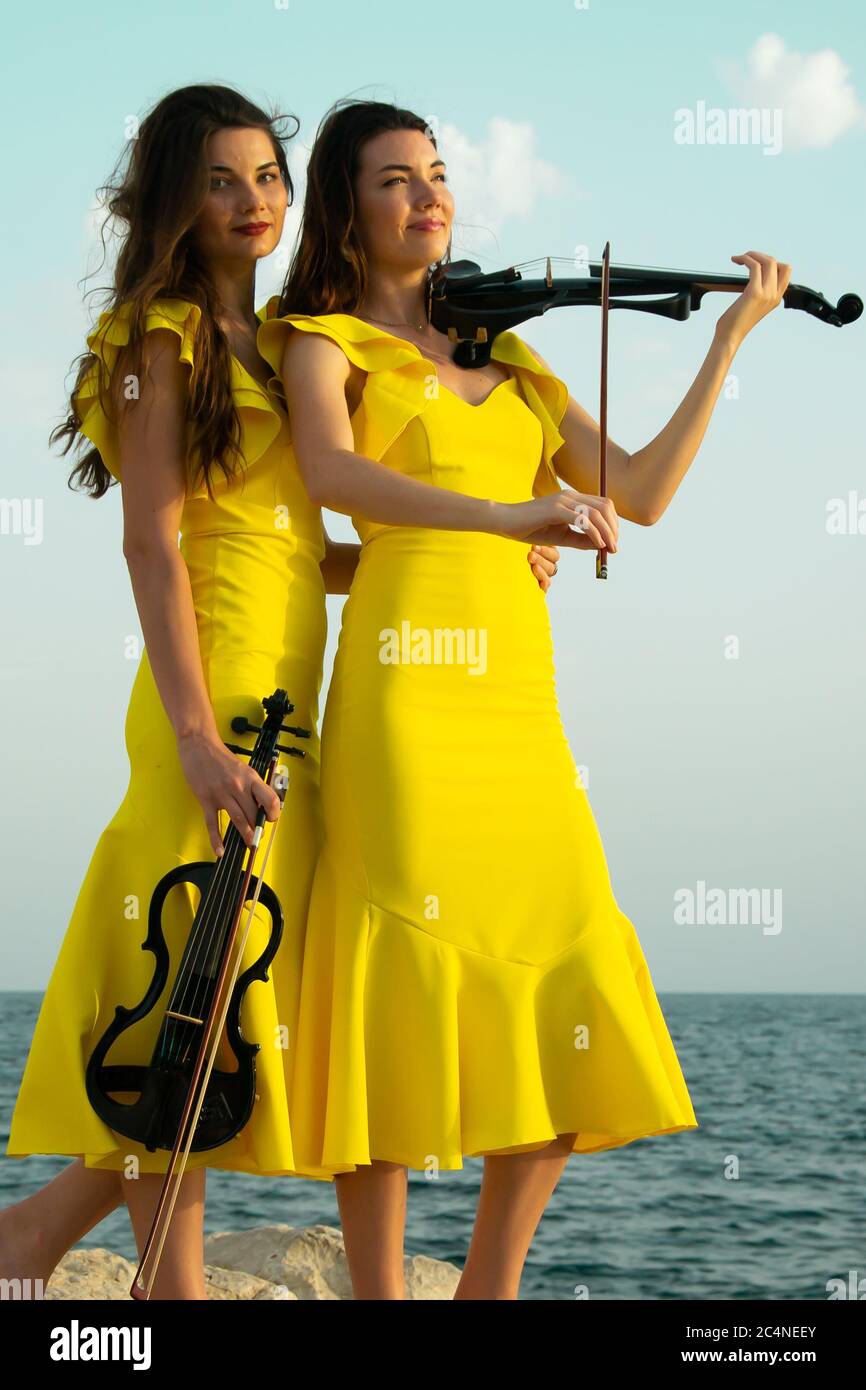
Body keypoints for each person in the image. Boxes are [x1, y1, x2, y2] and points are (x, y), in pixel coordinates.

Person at [0, 85, 560, 1301]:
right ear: (172, 199)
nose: (252, 201)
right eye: (219, 179)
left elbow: (306, 551)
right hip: (210, 706)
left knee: (225, 1003)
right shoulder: (160, 339)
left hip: (289, 710)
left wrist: (481, 548)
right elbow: (154, 545)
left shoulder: (277, 344)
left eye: (268, 177)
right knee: (180, 998)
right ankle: (160, 1290)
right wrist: (196, 738)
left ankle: (42, 1240)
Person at [257, 97, 792, 1300]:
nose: (427, 194)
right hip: (403, 693)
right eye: (393, 178)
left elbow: (640, 494)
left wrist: (729, 339)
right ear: (347, 209)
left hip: (514, 706)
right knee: (394, 969)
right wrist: (513, 519)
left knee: (562, 962)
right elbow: (339, 479)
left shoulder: (521, 359)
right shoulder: (321, 341)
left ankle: (488, 1290)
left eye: (436, 172)